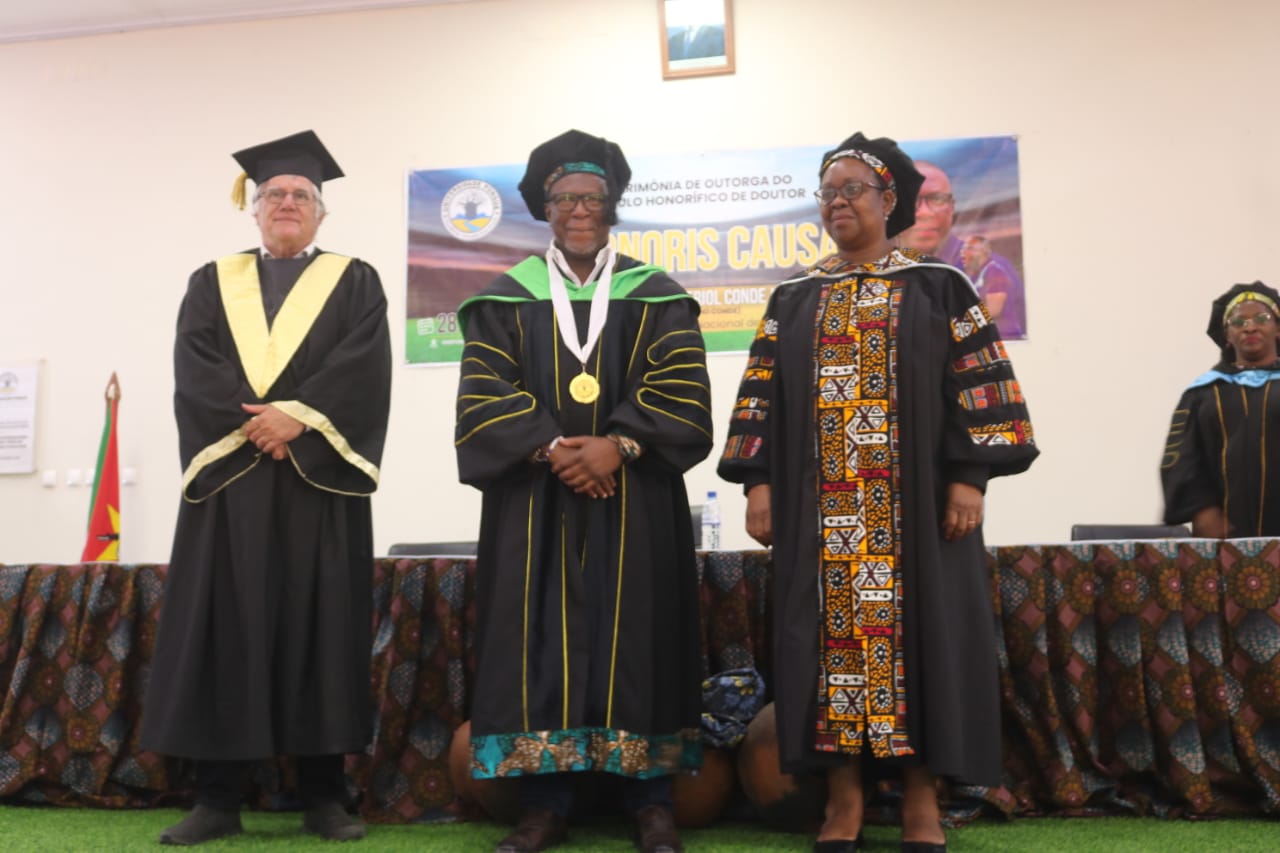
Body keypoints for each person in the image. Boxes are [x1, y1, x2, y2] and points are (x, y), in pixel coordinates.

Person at [717, 132, 1038, 853]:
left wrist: (970, 477)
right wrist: (757, 484)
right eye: (828, 191)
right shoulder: (796, 296)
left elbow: (983, 386)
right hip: (820, 515)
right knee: (824, 649)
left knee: (925, 644)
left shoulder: (938, 287)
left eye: (853, 189)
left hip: (918, 512)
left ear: (890, 201)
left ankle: (922, 801)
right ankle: (844, 799)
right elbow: (759, 395)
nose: (838, 201)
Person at [454, 129, 713, 853]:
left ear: (612, 206)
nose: (578, 210)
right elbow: (481, 394)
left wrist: (617, 444)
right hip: (533, 504)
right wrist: (553, 447)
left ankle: (651, 801)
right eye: (565, 198)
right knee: (537, 643)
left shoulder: (656, 296)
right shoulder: (504, 300)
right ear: (544, 207)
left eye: (592, 198)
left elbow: (683, 388)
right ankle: (544, 804)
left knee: (640, 639)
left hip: (635, 502)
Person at [140, 130, 392, 845]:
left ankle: (324, 796)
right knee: (226, 627)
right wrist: (258, 425)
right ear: (253, 209)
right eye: (274, 194)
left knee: (323, 628)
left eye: (301, 195)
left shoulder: (356, 281)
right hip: (234, 483)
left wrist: (298, 418)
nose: (287, 203)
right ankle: (218, 798)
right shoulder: (211, 281)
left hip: (319, 483)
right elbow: (196, 365)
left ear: (321, 212)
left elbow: (362, 366)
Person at [1162, 281, 1280, 537]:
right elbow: (1179, 458)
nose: (1250, 327)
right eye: (1238, 322)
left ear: (1277, 328)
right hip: (1223, 536)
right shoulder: (1203, 394)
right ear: (1227, 335)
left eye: (1261, 318)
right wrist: (1202, 510)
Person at [960, 235, 1025, 339]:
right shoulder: (979, 274)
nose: (963, 253)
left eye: (969, 248)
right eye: (963, 249)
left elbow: (993, 310)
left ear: (984, 251)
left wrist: (962, 327)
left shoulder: (995, 272)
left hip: (1005, 338)